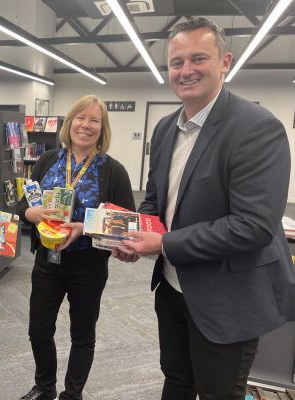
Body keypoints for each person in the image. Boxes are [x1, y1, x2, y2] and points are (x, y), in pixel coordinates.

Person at [117, 18, 295, 400]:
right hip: (173, 288)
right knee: (177, 381)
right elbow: (155, 200)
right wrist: (134, 235)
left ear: (225, 62)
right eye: (176, 62)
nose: (186, 71)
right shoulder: (165, 128)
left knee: (218, 393)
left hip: (227, 296)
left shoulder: (256, 127)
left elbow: (252, 226)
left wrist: (163, 245)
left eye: (198, 58)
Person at [17, 95, 135, 400]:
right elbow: (23, 205)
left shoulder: (113, 170)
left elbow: (125, 223)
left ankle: (72, 394)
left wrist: (83, 228)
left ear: (102, 128)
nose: (86, 125)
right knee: (38, 331)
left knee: (82, 335)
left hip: (89, 266)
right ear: (70, 123)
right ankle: (45, 388)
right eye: (80, 118)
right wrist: (31, 213)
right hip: (47, 261)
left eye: (94, 120)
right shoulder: (47, 160)